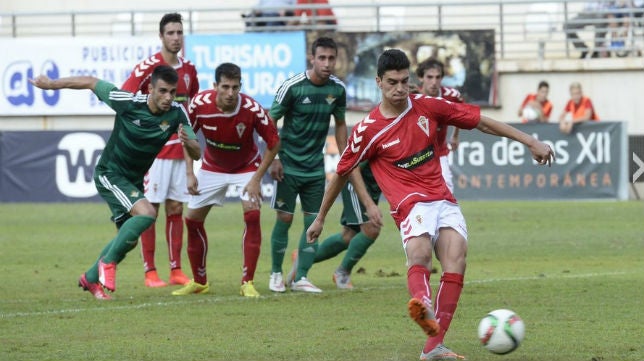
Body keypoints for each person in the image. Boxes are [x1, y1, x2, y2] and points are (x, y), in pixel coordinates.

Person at [306, 49, 554, 360]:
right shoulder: (368, 129)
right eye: (392, 82)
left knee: (457, 258)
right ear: (378, 82)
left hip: (442, 197)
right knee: (420, 251)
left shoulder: (427, 106)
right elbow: (342, 172)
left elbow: (480, 122)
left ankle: (433, 347)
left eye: (405, 82)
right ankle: (421, 302)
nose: (400, 89)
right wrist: (320, 217)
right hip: (411, 204)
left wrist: (530, 141)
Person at [29, 66, 201, 300]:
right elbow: (91, 82)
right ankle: (107, 265)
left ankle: (90, 278)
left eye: (172, 92)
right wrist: (51, 84)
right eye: (163, 91)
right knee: (148, 213)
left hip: (133, 181)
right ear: (150, 89)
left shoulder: (177, 113)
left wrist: (188, 143)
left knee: (127, 240)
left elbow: (197, 151)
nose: (168, 98)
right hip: (110, 173)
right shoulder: (128, 102)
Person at [171, 63, 280, 298]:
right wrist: (190, 172)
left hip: (246, 166)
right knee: (191, 220)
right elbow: (187, 136)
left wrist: (256, 179)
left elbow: (274, 142)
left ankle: (247, 282)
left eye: (235, 87)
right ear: (215, 86)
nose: (231, 93)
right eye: (225, 87)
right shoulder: (199, 105)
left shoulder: (252, 109)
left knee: (252, 214)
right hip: (212, 166)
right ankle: (200, 282)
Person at [122, 12, 199, 288]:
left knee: (176, 207)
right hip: (152, 152)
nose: (176, 38)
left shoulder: (189, 69)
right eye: (171, 33)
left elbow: (189, 116)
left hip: (179, 151)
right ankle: (150, 271)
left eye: (179, 32)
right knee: (150, 209)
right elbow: (124, 99)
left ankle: (176, 269)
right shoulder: (147, 68)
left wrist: (191, 166)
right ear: (161, 36)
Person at [268, 36, 347, 293]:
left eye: (331, 58)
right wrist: (275, 158)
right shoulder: (293, 87)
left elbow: (341, 125)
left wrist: (346, 158)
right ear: (311, 59)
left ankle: (301, 276)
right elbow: (270, 122)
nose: (326, 63)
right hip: (288, 166)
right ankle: (276, 274)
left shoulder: (337, 90)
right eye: (321, 58)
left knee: (314, 222)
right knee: (284, 218)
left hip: (315, 168)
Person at [293, 162, 382, 290]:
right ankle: (342, 273)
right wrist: (368, 204)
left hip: (373, 185)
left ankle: (303, 257)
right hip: (356, 184)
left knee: (349, 235)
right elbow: (353, 166)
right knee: (372, 228)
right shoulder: (373, 142)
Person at [416, 58, 464, 193]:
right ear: (421, 78)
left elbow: (461, 113)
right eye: (429, 77)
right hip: (414, 155)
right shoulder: (411, 97)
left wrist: (455, 136)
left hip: (439, 151)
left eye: (438, 77)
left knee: (447, 189)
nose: (434, 82)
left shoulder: (451, 96)